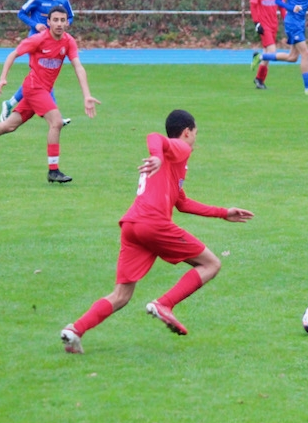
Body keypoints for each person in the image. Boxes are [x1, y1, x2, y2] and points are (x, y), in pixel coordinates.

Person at [60, 109, 254, 354]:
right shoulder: (179, 148)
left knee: (121, 295)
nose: (196, 139)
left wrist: (223, 212)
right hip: (152, 223)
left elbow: (182, 203)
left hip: (132, 226)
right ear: (187, 132)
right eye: (196, 133)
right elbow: (154, 137)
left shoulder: (174, 163)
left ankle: (75, 331)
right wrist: (157, 156)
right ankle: (164, 304)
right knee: (211, 264)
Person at [0, 6, 98, 184]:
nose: (59, 24)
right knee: (56, 122)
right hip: (33, 88)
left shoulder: (68, 42)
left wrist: (87, 95)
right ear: (48, 22)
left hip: (42, 90)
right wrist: (3, 78)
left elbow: (78, 67)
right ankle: (53, 170)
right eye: (55, 20)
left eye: (63, 20)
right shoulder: (38, 39)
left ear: (67, 23)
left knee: (9, 126)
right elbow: (13, 55)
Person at [0, 0, 74, 121]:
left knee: (42, 77)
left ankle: (10, 103)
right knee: (42, 76)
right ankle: (56, 116)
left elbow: (70, 17)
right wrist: (35, 25)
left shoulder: (63, 0)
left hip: (53, 42)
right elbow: (21, 13)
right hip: (36, 42)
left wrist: (64, 25)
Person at [248, 0, 284, 90]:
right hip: (264, 25)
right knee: (272, 51)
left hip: (274, 24)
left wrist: (287, 20)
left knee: (267, 53)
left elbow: (282, 7)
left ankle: (259, 79)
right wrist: (256, 23)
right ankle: (258, 58)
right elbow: (253, 6)